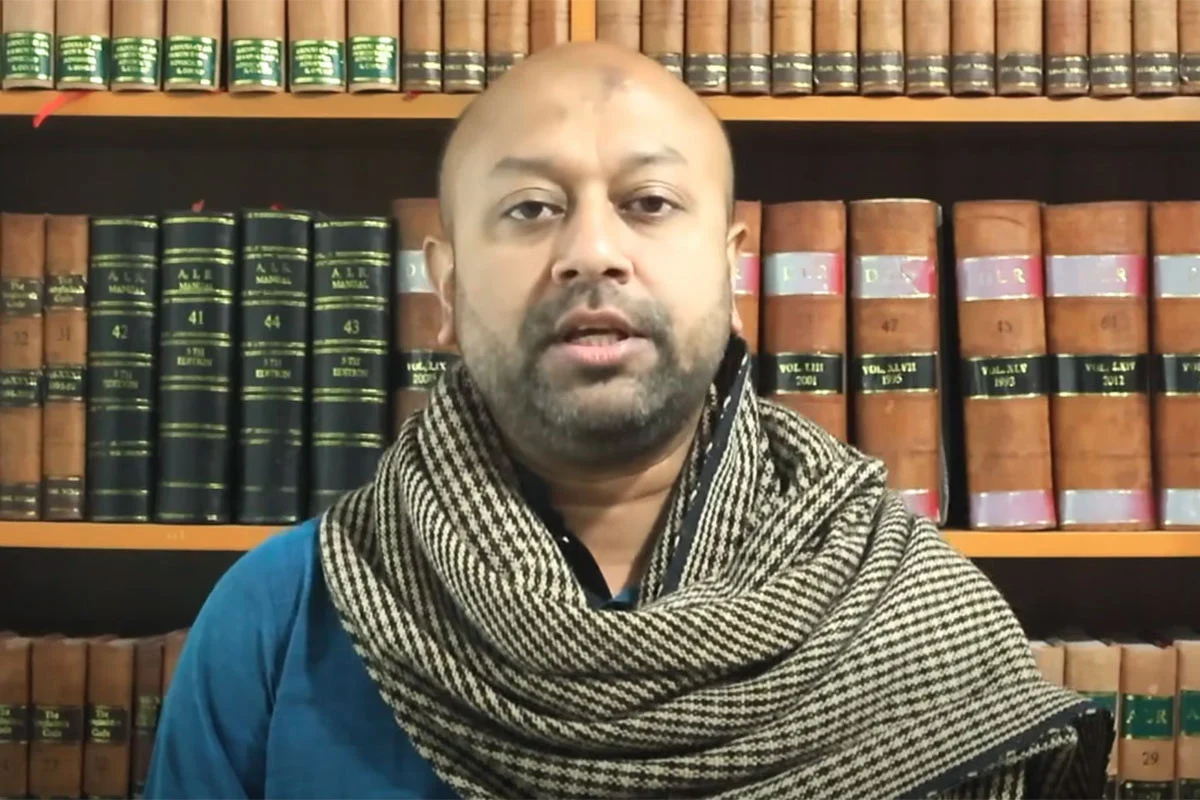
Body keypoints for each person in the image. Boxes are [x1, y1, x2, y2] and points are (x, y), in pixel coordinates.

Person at [145, 41, 1112, 799]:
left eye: (649, 202)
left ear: (732, 272)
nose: (593, 251)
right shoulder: (282, 618)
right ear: (445, 289)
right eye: (530, 209)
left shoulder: (908, 616)